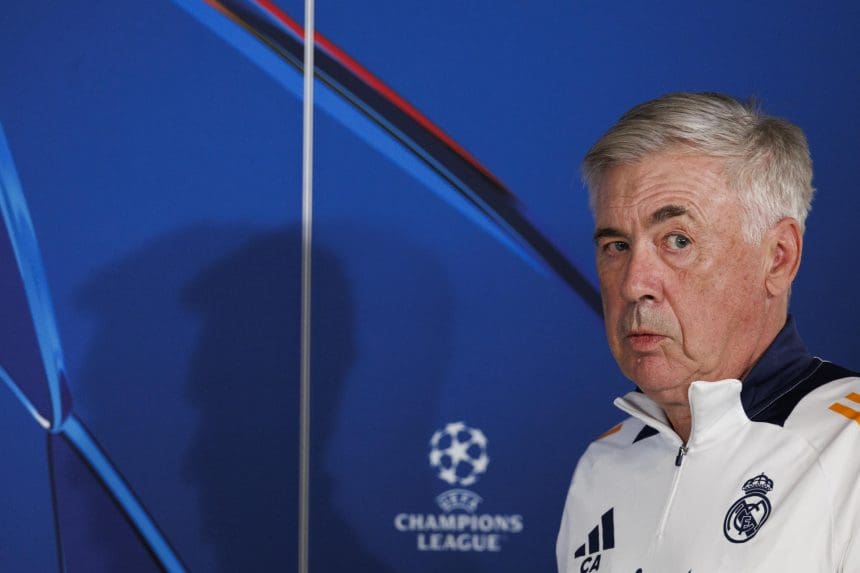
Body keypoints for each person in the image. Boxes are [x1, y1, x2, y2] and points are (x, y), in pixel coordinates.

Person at [556, 92, 859, 573]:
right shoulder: (603, 465)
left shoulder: (850, 451)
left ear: (778, 257)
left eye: (678, 241)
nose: (635, 284)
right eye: (616, 245)